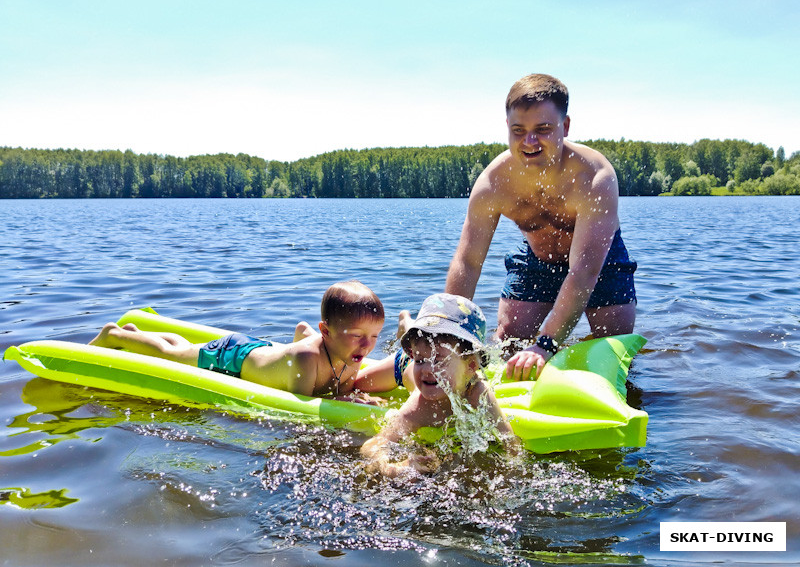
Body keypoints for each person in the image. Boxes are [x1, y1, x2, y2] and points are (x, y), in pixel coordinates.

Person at [445, 74, 637, 381]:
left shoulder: (595, 177)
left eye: (542, 130)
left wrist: (546, 343)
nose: (529, 142)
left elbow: (583, 271)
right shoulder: (494, 183)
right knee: (508, 343)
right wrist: (447, 332)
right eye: (518, 131)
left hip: (599, 261)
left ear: (566, 126)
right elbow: (467, 263)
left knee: (614, 345)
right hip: (537, 258)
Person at [90, 280, 385, 400]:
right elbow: (305, 407)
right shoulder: (307, 360)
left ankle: (300, 332)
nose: (367, 345)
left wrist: (354, 395)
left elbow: (341, 387)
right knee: (175, 354)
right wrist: (347, 401)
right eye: (358, 336)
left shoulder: (350, 353)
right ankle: (115, 333)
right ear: (327, 332)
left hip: (267, 352)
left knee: (186, 349)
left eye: (374, 337)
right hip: (233, 357)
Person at [360, 293, 519, 477]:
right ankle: (405, 323)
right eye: (421, 360)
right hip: (403, 364)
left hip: (420, 355)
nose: (427, 369)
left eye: (439, 361)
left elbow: (510, 443)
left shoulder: (478, 393)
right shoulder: (419, 405)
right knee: (356, 383)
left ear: (471, 366)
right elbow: (372, 446)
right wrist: (394, 468)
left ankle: (407, 326)